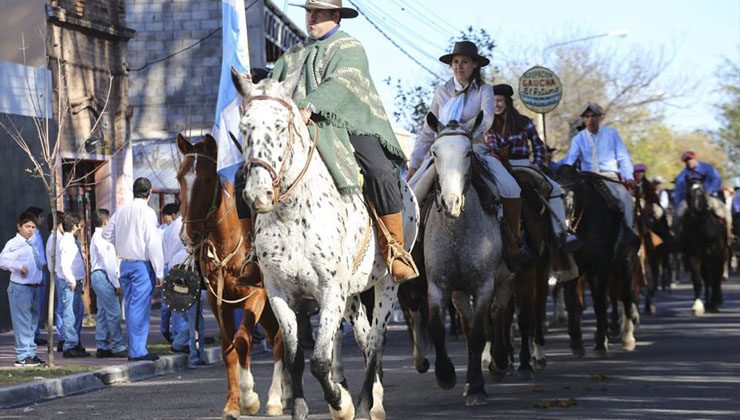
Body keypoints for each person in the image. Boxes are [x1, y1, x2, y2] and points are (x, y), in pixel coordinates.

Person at [271, 0, 416, 282]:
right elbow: (275, 83)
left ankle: (395, 249)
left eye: (318, 12)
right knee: (254, 172)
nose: (310, 17)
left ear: (336, 15)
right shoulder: (293, 54)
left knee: (379, 170)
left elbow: (343, 83)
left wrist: (310, 106)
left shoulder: (350, 47)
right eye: (308, 11)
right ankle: (255, 252)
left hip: (349, 122)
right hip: (299, 129)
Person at [406, 42, 530, 268]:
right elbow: (427, 130)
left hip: (475, 149)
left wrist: (461, 136)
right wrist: (414, 164)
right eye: (455, 62)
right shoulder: (441, 92)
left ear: (475, 65)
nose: (459, 66)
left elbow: (487, 120)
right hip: (442, 154)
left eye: (464, 61)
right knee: (411, 192)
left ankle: (513, 242)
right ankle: (407, 250)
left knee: (511, 188)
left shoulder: (485, 90)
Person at [486, 83, 581, 252]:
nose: (496, 105)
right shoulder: (489, 125)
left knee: (555, 188)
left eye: (499, 100)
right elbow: (491, 148)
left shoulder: (524, 122)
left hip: (524, 164)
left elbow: (538, 145)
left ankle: (562, 233)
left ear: (507, 101)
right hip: (501, 167)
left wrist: (537, 165)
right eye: (493, 102)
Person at [103, 177, 164, 361]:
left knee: (130, 307)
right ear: (150, 192)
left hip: (125, 263)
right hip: (141, 265)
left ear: (133, 191)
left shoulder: (121, 211)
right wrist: (159, 270)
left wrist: (122, 243)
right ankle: (138, 351)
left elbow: (107, 234)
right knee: (139, 308)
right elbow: (153, 243)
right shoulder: (148, 213)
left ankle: (135, 348)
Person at [561, 102, 639, 242]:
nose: (590, 120)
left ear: (600, 118)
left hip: (609, 177)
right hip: (587, 178)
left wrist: (628, 176)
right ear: (583, 119)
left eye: (594, 116)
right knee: (567, 199)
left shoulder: (611, 133)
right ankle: (566, 234)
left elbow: (623, 157)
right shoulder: (578, 138)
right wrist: (564, 173)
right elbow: (570, 159)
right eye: (587, 117)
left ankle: (628, 235)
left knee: (625, 199)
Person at [162, 203, 206, 366]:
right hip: (192, 288)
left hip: (178, 285)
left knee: (189, 319)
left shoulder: (175, 249)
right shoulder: (192, 257)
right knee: (195, 322)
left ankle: (183, 346)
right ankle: (194, 355)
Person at [0, 211, 46, 367]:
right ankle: (22, 356)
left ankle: (30, 353)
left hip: (34, 287)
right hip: (20, 288)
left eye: (33, 227)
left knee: (32, 323)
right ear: (19, 226)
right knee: (22, 323)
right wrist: (19, 267)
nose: (30, 230)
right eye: (27, 226)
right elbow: (2, 260)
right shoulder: (14, 243)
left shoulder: (32, 242)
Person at [90, 209, 127, 358]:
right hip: (104, 276)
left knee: (103, 312)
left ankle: (102, 345)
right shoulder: (103, 238)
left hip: (99, 276)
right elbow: (109, 264)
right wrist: (116, 283)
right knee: (114, 312)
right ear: (106, 222)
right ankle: (118, 346)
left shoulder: (96, 236)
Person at [672, 151, 732, 238]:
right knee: (677, 216)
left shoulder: (708, 168)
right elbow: (678, 191)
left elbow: (717, 180)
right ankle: (677, 240)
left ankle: (728, 237)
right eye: (686, 160)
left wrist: (708, 191)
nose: (689, 162)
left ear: (695, 159)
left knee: (725, 212)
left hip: (709, 196)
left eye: (690, 159)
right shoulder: (682, 175)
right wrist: (678, 204)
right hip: (689, 200)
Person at [56, 212, 89, 358]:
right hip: (70, 282)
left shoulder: (71, 240)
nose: (80, 227)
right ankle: (70, 344)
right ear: (74, 225)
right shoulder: (67, 242)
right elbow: (64, 264)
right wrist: (71, 280)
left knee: (76, 312)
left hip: (76, 281)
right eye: (79, 224)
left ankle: (74, 341)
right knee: (69, 313)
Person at [159, 203, 184, 344]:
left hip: (168, 266)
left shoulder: (167, 230)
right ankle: (179, 337)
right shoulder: (181, 225)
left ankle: (167, 330)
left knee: (169, 303)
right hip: (179, 266)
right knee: (180, 304)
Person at [24, 206, 48, 346]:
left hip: (40, 271)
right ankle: (32, 335)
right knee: (34, 305)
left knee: (38, 305)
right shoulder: (31, 234)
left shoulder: (37, 233)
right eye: (41, 217)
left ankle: (35, 333)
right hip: (35, 272)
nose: (43, 219)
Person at [46, 210, 66, 351]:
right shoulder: (56, 239)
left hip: (58, 274)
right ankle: (63, 337)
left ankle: (63, 337)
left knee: (62, 307)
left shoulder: (55, 238)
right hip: (60, 274)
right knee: (63, 307)